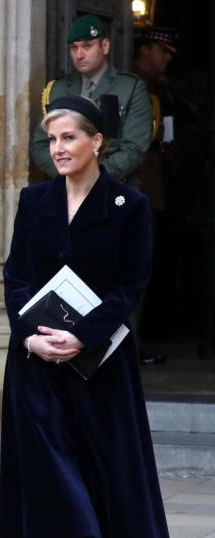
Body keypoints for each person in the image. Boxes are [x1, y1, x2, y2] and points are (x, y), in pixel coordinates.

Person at [0, 95, 172, 538]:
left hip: (101, 366)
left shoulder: (129, 205)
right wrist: (31, 337)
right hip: (35, 364)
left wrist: (83, 335)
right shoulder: (34, 200)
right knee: (41, 478)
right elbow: (16, 277)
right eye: (52, 140)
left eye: (69, 137)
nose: (59, 148)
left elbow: (131, 286)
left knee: (101, 478)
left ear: (97, 141)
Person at [31, 14, 152, 187]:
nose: (79, 54)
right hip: (66, 190)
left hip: (114, 188)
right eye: (74, 47)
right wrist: (67, 173)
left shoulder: (130, 88)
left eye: (87, 46)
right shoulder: (57, 89)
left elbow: (134, 149)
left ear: (104, 46)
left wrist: (91, 177)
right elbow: (40, 145)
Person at [133, 27, 179, 365]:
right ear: (145, 51)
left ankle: (135, 342)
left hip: (153, 187)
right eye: (161, 52)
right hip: (134, 187)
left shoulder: (160, 91)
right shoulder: (131, 87)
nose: (165, 59)